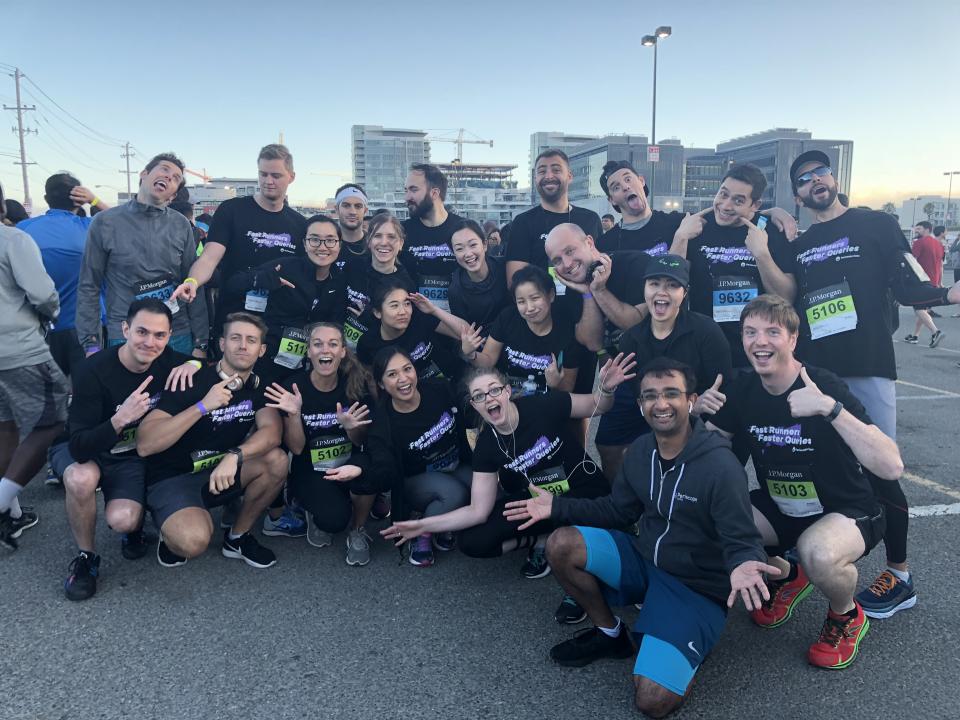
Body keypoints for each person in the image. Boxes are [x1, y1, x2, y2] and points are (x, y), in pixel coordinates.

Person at [501, 357, 776, 718]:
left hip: (694, 587)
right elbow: (617, 511)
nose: (660, 404)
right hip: (645, 560)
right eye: (650, 396)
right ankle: (611, 635)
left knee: (652, 701)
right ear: (641, 404)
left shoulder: (720, 467)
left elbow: (741, 536)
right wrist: (558, 508)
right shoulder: (641, 451)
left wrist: (742, 564)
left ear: (690, 399)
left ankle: (678, 645)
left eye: (671, 394)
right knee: (561, 543)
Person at [784, 149, 960, 618]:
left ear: (835, 179)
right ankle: (812, 556)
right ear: (799, 195)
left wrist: (946, 293)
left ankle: (899, 575)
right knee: (818, 466)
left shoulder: (875, 225)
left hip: (868, 365)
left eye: (820, 173)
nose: (814, 182)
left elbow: (908, 284)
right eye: (803, 179)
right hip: (816, 371)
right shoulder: (800, 246)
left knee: (880, 467)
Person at [706, 295, 903, 668]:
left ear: (792, 339)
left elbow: (891, 466)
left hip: (846, 510)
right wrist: (698, 413)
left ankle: (845, 614)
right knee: (714, 516)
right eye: (750, 332)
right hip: (781, 509)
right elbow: (710, 458)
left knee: (819, 554)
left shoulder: (823, 386)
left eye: (772, 332)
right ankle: (787, 574)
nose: (759, 341)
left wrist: (830, 409)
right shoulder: (742, 390)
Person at [382, 355, 634, 622]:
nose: (489, 398)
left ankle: (580, 582)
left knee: (597, 535)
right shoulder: (487, 448)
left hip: (582, 490)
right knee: (472, 540)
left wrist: (606, 388)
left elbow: (597, 405)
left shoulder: (542, 405)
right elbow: (478, 511)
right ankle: (541, 540)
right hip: (538, 505)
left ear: (507, 392)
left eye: (494, 390)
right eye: (479, 396)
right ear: (474, 405)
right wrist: (425, 526)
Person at [55, 299, 200, 600]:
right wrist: (120, 419)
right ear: (125, 329)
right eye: (141, 332)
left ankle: (133, 529)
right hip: (82, 448)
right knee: (82, 478)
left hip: (125, 455)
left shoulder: (167, 360)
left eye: (159, 335)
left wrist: (193, 363)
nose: (150, 342)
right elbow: (79, 446)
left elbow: (201, 362)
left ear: (169, 336)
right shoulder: (92, 370)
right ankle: (86, 558)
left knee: (124, 519)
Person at [136, 312, 288, 568]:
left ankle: (237, 537)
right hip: (175, 477)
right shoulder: (190, 379)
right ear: (221, 344)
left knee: (277, 460)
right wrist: (203, 406)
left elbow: (271, 432)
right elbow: (145, 444)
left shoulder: (260, 384)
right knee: (193, 541)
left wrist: (235, 456)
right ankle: (170, 525)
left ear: (261, 350)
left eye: (251, 340)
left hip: (222, 471)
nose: (242, 345)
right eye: (235, 338)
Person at [596, 254, 732, 481]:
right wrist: (606, 387)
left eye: (672, 285)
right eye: (654, 284)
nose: (662, 292)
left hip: (700, 412)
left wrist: (694, 408)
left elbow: (723, 387)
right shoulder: (631, 339)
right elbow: (635, 392)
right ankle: (623, 504)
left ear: (684, 293)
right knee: (609, 444)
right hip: (652, 408)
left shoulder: (706, 332)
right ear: (645, 289)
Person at [264, 322, 381, 566]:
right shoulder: (294, 387)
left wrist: (352, 429)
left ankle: (358, 529)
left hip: (350, 462)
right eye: (317, 344)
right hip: (312, 468)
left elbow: (363, 441)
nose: (324, 350)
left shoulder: (356, 386)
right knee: (333, 520)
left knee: (373, 470)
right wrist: (295, 415)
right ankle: (309, 505)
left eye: (332, 344)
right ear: (308, 352)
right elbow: (295, 448)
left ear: (342, 352)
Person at [542, 223, 652, 481]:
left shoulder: (635, 263)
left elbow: (632, 324)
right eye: (557, 260)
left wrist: (600, 289)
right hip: (622, 376)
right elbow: (591, 342)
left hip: (660, 369)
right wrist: (589, 294)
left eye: (570, 251)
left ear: (589, 241)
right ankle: (621, 511)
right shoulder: (573, 289)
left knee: (667, 444)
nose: (567, 264)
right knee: (608, 446)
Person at [76, 153, 209, 358]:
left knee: (177, 390)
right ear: (144, 174)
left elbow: (193, 284)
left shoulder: (181, 225)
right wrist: (90, 343)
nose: (169, 177)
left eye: (176, 178)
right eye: (164, 169)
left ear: (173, 195)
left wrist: (200, 343)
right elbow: (89, 284)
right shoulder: (104, 222)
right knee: (128, 391)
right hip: (125, 332)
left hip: (176, 332)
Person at [171, 144, 307, 342]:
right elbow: (209, 258)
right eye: (263, 174)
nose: (268, 181)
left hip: (277, 323)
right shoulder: (231, 210)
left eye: (276, 176)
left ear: (291, 177)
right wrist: (192, 281)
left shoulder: (300, 223)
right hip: (234, 320)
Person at [669, 163, 797, 368]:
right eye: (723, 194)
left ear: (755, 205)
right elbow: (669, 282)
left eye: (738, 200)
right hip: (705, 346)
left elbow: (786, 298)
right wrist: (681, 237)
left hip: (757, 351)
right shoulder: (697, 226)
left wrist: (762, 254)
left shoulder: (770, 230)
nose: (726, 206)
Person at [0, 183, 69, 550]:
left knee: (5, 426)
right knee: (52, 422)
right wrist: (51, 314)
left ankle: (11, 513)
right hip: (18, 349)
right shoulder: (12, 239)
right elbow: (43, 293)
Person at [363, 346, 472, 567]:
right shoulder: (384, 422)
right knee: (455, 493)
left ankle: (444, 523)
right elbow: (382, 462)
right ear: (382, 384)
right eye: (392, 375)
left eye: (407, 369)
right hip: (418, 480)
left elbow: (467, 407)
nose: (403, 379)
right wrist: (362, 471)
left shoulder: (439, 389)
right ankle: (421, 531)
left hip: (455, 463)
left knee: (487, 489)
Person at [222, 214, 347, 384]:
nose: (323, 247)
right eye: (314, 240)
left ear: (339, 245)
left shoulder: (339, 280)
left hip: (310, 366)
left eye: (330, 240)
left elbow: (336, 322)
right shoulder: (286, 267)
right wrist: (262, 279)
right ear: (304, 243)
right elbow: (233, 284)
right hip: (268, 360)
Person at [18, 173, 108, 378]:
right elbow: (127, 223)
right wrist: (94, 200)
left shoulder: (24, 230)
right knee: (87, 394)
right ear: (79, 198)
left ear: (46, 198)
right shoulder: (90, 228)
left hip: (38, 328)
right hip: (87, 328)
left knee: (46, 396)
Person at [462, 265, 591, 398]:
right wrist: (471, 354)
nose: (529, 308)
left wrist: (555, 384)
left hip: (546, 404)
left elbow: (568, 387)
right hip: (507, 400)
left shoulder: (567, 332)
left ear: (551, 295)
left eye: (535, 298)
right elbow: (488, 361)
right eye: (521, 301)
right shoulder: (508, 318)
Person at [505, 149, 602, 292]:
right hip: (542, 309)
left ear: (569, 176)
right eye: (542, 171)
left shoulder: (590, 219)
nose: (549, 176)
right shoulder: (522, 222)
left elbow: (600, 265)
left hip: (588, 303)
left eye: (556, 170)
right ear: (535, 179)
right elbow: (514, 283)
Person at [357, 280, 470, 381]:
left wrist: (434, 310)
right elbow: (372, 380)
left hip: (457, 378)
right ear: (377, 312)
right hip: (413, 397)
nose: (403, 311)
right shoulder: (368, 343)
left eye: (407, 304)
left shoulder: (419, 319)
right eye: (394, 305)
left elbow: (467, 333)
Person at [342, 213, 416, 350]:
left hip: (375, 354)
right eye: (377, 236)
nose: (383, 242)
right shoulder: (353, 267)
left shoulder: (405, 284)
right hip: (342, 349)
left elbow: (404, 330)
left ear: (401, 244)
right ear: (369, 241)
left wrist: (370, 319)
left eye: (391, 237)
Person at [401, 163, 464, 311]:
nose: (407, 197)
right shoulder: (402, 231)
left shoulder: (462, 229)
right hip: (415, 321)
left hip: (456, 322)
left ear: (434, 193)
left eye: (413, 190)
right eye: (406, 190)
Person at [448, 219, 511, 330]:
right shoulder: (456, 291)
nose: (468, 254)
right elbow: (464, 331)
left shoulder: (505, 267)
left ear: (485, 244)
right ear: (454, 253)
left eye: (473, 245)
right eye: (459, 249)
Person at [904, 221, 945, 347]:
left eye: (919, 228)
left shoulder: (919, 243)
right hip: (933, 280)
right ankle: (915, 336)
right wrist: (939, 282)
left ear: (927, 229)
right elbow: (941, 265)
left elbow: (912, 261)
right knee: (922, 308)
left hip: (921, 280)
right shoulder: (939, 245)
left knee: (919, 308)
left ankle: (935, 332)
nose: (916, 231)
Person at [334, 184, 369, 267]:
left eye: (358, 206)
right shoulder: (327, 245)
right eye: (346, 206)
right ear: (336, 209)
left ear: (365, 210)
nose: (352, 212)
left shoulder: (375, 244)